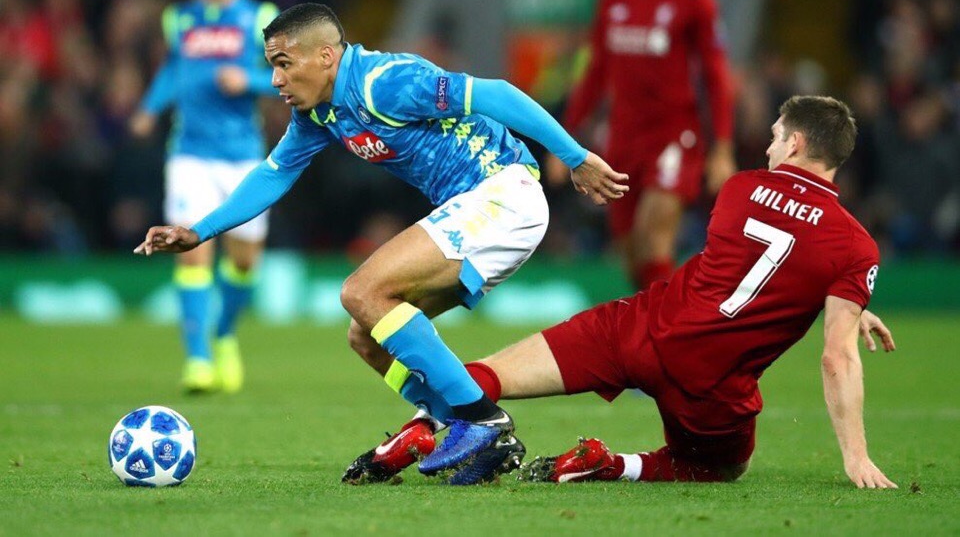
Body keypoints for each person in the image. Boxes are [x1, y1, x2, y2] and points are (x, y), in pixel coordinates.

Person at [134, 3, 629, 484]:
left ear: (325, 56)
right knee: (366, 334)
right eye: (272, 67)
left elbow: (495, 93)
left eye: (283, 64)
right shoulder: (320, 113)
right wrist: (198, 231)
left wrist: (575, 156)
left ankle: (481, 421)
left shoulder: (382, 82)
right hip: (480, 208)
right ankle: (448, 424)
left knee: (361, 291)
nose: (276, 80)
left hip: (502, 193)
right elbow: (275, 173)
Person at [352, 95, 899, 490]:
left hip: (636, 328)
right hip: (710, 381)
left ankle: (420, 427)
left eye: (777, 137)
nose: (769, 146)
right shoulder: (854, 247)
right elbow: (835, 354)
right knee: (718, 468)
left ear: (796, 143)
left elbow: (752, 257)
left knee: (486, 378)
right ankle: (607, 463)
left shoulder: (740, 188)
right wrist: (856, 453)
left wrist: (840, 295)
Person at [548, 0, 736, 290]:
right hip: (622, 140)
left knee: (654, 237)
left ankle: (671, 324)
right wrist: (564, 141)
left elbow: (716, 77)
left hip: (674, 137)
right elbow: (595, 74)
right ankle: (657, 319)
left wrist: (722, 148)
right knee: (631, 252)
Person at [129, 0, 279, 394]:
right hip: (189, 153)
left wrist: (250, 80)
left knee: (244, 261)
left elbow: (286, 75)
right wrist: (150, 107)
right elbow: (174, 67)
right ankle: (197, 359)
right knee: (190, 252)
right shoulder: (178, 18)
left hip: (243, 155)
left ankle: (224, 333)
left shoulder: (262, 17)